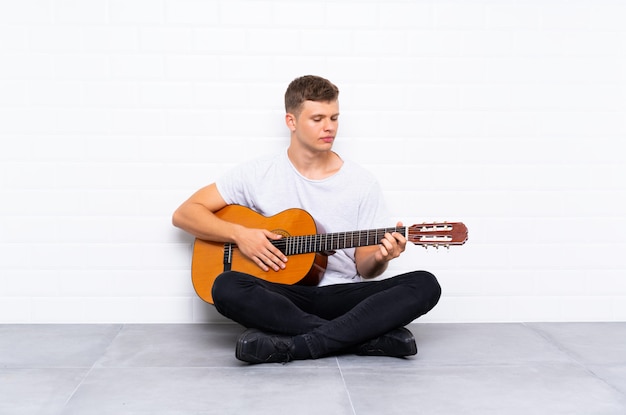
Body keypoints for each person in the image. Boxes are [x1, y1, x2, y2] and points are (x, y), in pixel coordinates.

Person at [172, 75, 441, 364]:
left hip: (343, 296)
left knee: (425, 284)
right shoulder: (258, 173)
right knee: (225, 286)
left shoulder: (361, 183)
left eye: (335, 118)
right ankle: (363, 337)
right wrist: (241, 235)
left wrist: (382, 256)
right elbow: (185, 213)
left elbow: (366, 269)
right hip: (284, 297)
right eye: (317, 119)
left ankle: (297, 345)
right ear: (291, 121)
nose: (330, 127)